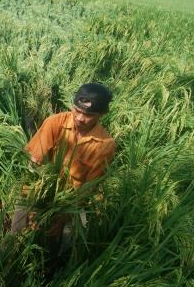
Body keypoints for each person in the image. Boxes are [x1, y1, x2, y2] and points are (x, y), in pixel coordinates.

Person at [11, 83, 116, 244]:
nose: (80, 118)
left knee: (64, 241)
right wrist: (37, 201)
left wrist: (62, 215)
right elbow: (34, 162)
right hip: (39, 189)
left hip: (71, 202)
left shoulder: (105, 144)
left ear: (102, 114)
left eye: (89, 115)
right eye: (77, 111)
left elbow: (89, 187)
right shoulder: (55, 123)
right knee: (17, 234)